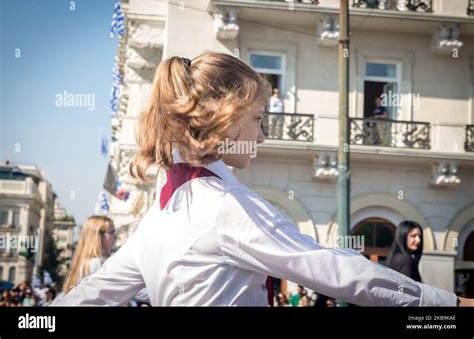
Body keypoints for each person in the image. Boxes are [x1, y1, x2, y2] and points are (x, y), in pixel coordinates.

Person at [51, 51, 473, 307]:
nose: (263, 134)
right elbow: (336, 270)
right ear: (226, 121)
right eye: (257, 118)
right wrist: (448, 303)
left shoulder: (164, 208)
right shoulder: (224, 206)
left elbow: (92, 295)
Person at [62, 215, 116, 294]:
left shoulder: (87, 262)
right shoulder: (96, 263)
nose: (115, 236)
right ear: (98, 235)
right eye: (111, 232)